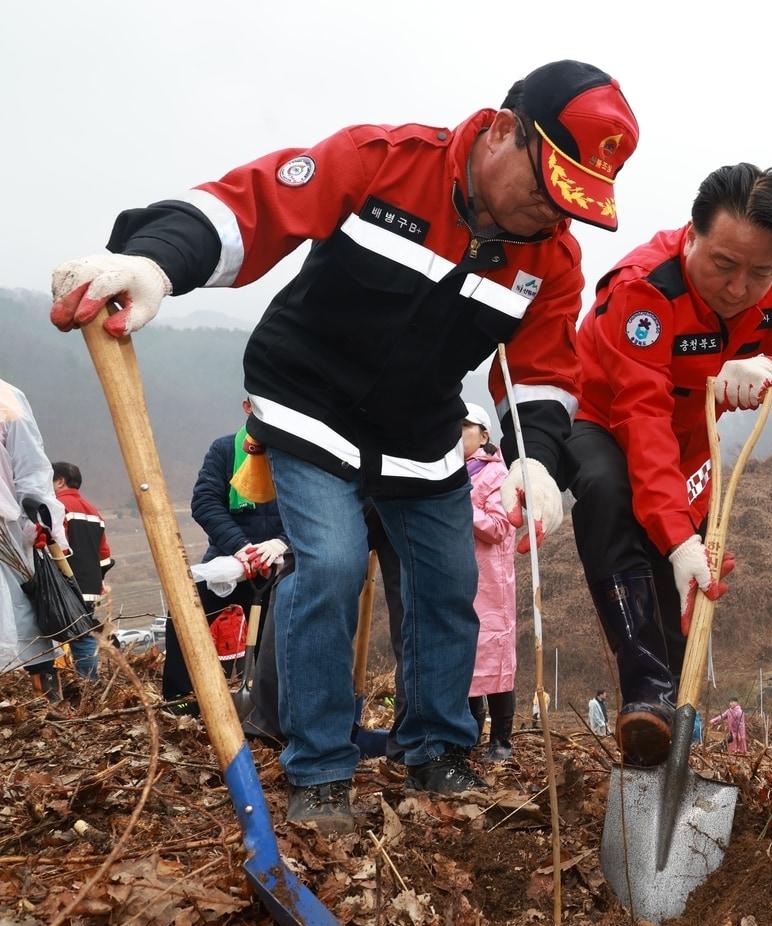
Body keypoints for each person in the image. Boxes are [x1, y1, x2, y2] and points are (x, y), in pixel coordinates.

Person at [49, 60, 640, 834]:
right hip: (307, 400)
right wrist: (158, 258)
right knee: (326, 562)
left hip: (419, 429)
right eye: (545, 188)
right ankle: (321, 766)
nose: (550, 216)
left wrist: (537, 458)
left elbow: (544, 373)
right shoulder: (386, 161)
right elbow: (251, 207)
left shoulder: (552, 260)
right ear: (502, 131)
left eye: (571, 206)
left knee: (449, 579)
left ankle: (435, 746)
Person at [568, 163, 772, 766]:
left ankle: (672, 729)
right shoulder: (645, 290)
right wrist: (675, 533)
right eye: (723, 265)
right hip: (603, 420)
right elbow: (642, 419)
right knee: (612, 498)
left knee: (684, 584)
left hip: (694, 444)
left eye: (760, 272)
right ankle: (645, 692)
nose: (740, 288)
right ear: (692, 235)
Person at [164, 401, 288, 708]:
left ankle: (272, 708)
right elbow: (205, 502)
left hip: (283, 561)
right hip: (228, 559)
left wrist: (281, 544)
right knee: (185, 612)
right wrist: (240, 547)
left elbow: (311, 511)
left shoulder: (294, 455)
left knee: (279, 637)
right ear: (247, 406)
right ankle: (181, 700)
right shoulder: (225, 450)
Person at [0, 379, 72, 701]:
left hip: (8, 528)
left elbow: (30, 466)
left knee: (26, 614)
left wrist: (43, 523)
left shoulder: (6, 400)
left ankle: (47, 703)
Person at [461, 403, 518, 763]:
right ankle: (468, 735)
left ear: (484, 435)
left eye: (465, 427)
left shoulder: (498, 476)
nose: (457, 433)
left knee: (495, 663)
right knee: (465, 660)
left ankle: (501, 740)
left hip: (492, 584)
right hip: (460, 579)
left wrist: (462, 502)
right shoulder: (451, 472)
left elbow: (500, 527)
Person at [50, 462, 110, 680]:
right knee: (83, 635)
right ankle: (90, 687)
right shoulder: (94, 512)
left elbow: (55, 547)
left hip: (63, 586)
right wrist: (98, 581)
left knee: (46, 634)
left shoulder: (56, 507)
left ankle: (49, 691)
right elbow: (104, 555)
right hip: (90, 588)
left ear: (60, 480)